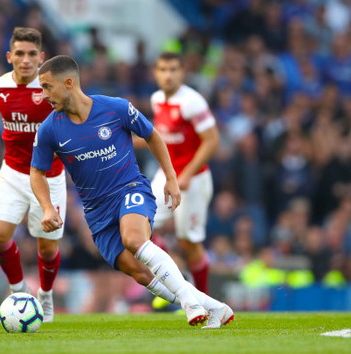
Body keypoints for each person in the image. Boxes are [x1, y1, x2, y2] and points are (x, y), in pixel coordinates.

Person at [30, 55, 233, 328]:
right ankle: (215, 307)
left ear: (68, 83)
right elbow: (37, 173)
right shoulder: (49, 130)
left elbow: (152, 135)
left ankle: (190, 303)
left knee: (134, 239)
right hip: (97, 213)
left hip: (130, 189)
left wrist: (171, 177)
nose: (43, 95)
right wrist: (45, 207)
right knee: (138, 272)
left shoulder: (115, 108)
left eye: (46, 87)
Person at [0, 27, 66, 322]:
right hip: (12, 172)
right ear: (9, 56)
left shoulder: (52, 88)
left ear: (42, 57)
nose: (25, 60)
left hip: (49, 177)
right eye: (19, 53)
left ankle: (45, 295)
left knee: (47, 249)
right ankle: (19, 291)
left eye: (32, 54)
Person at [149, 52, 221, 295]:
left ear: (182, 73)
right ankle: (177, 278)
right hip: (167, 174)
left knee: (188, 242)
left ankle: (204, 298)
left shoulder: (193, 102)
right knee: (141, 226)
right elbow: (160, 135)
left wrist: (188, 174)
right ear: (155, 73)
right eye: (163, 69)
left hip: (193, 180)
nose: (168, 75)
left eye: (173, 70)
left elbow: (212, 141)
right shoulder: (157, 99)